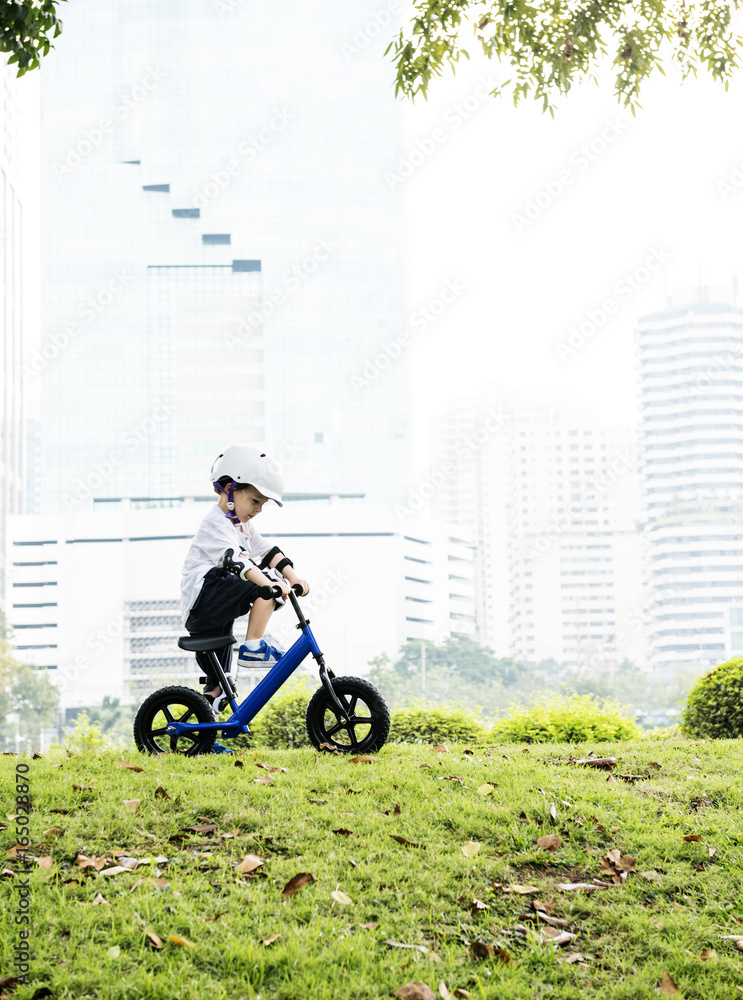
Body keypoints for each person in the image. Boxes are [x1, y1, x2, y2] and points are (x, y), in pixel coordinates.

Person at [180, 445, 309, 723]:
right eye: (255, 500)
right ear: (229, 488)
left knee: (221, 687)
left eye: (263, 504)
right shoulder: (216, 524)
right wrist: (270, 585)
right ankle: (252, 648)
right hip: (204, 599)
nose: (259, 509)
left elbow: (266, 551)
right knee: (257, 582)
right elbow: (238, 562)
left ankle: (208, 728)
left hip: (216, 612)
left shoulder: (242, 526)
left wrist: (293, 577)